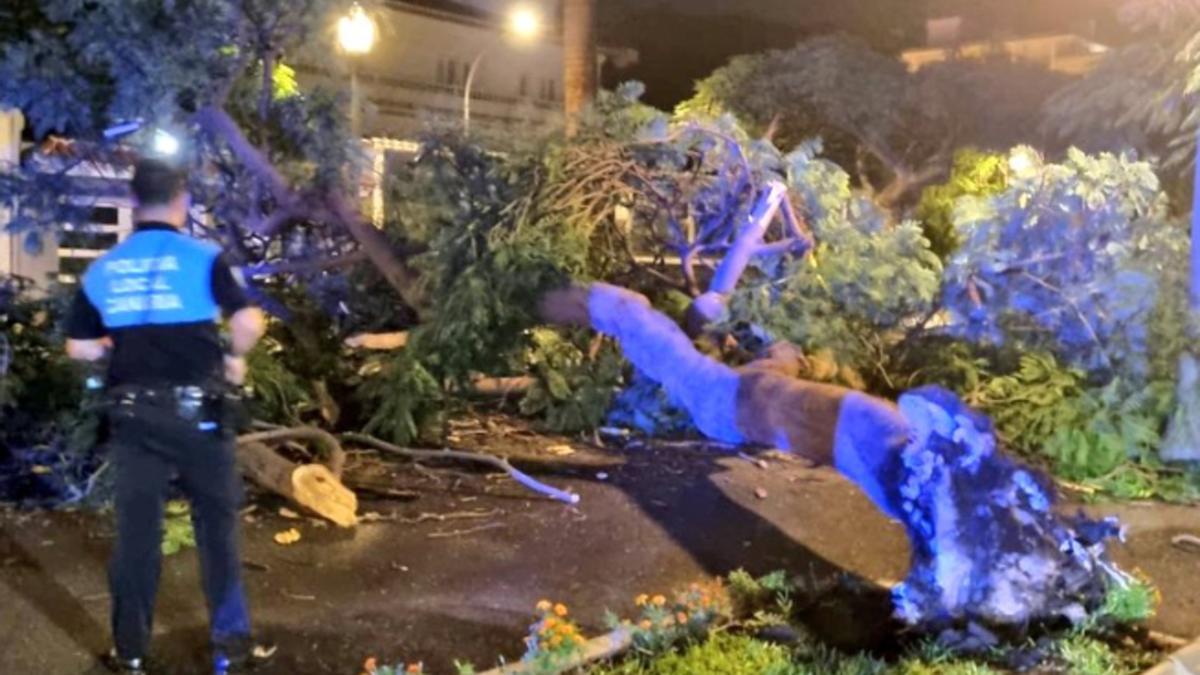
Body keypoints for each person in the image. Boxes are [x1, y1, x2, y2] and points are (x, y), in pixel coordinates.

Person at [65, 158, 269, 674]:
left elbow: (78, 347)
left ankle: (130, 652)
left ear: (135, 203)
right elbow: (247, 319)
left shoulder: (103, 269)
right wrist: (235, 355)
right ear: (181, 200)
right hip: (200, 416)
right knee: (217, 533)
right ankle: (232, 648)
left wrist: (115, 343)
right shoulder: (202, 257)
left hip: (134, 419)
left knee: (136, 540)